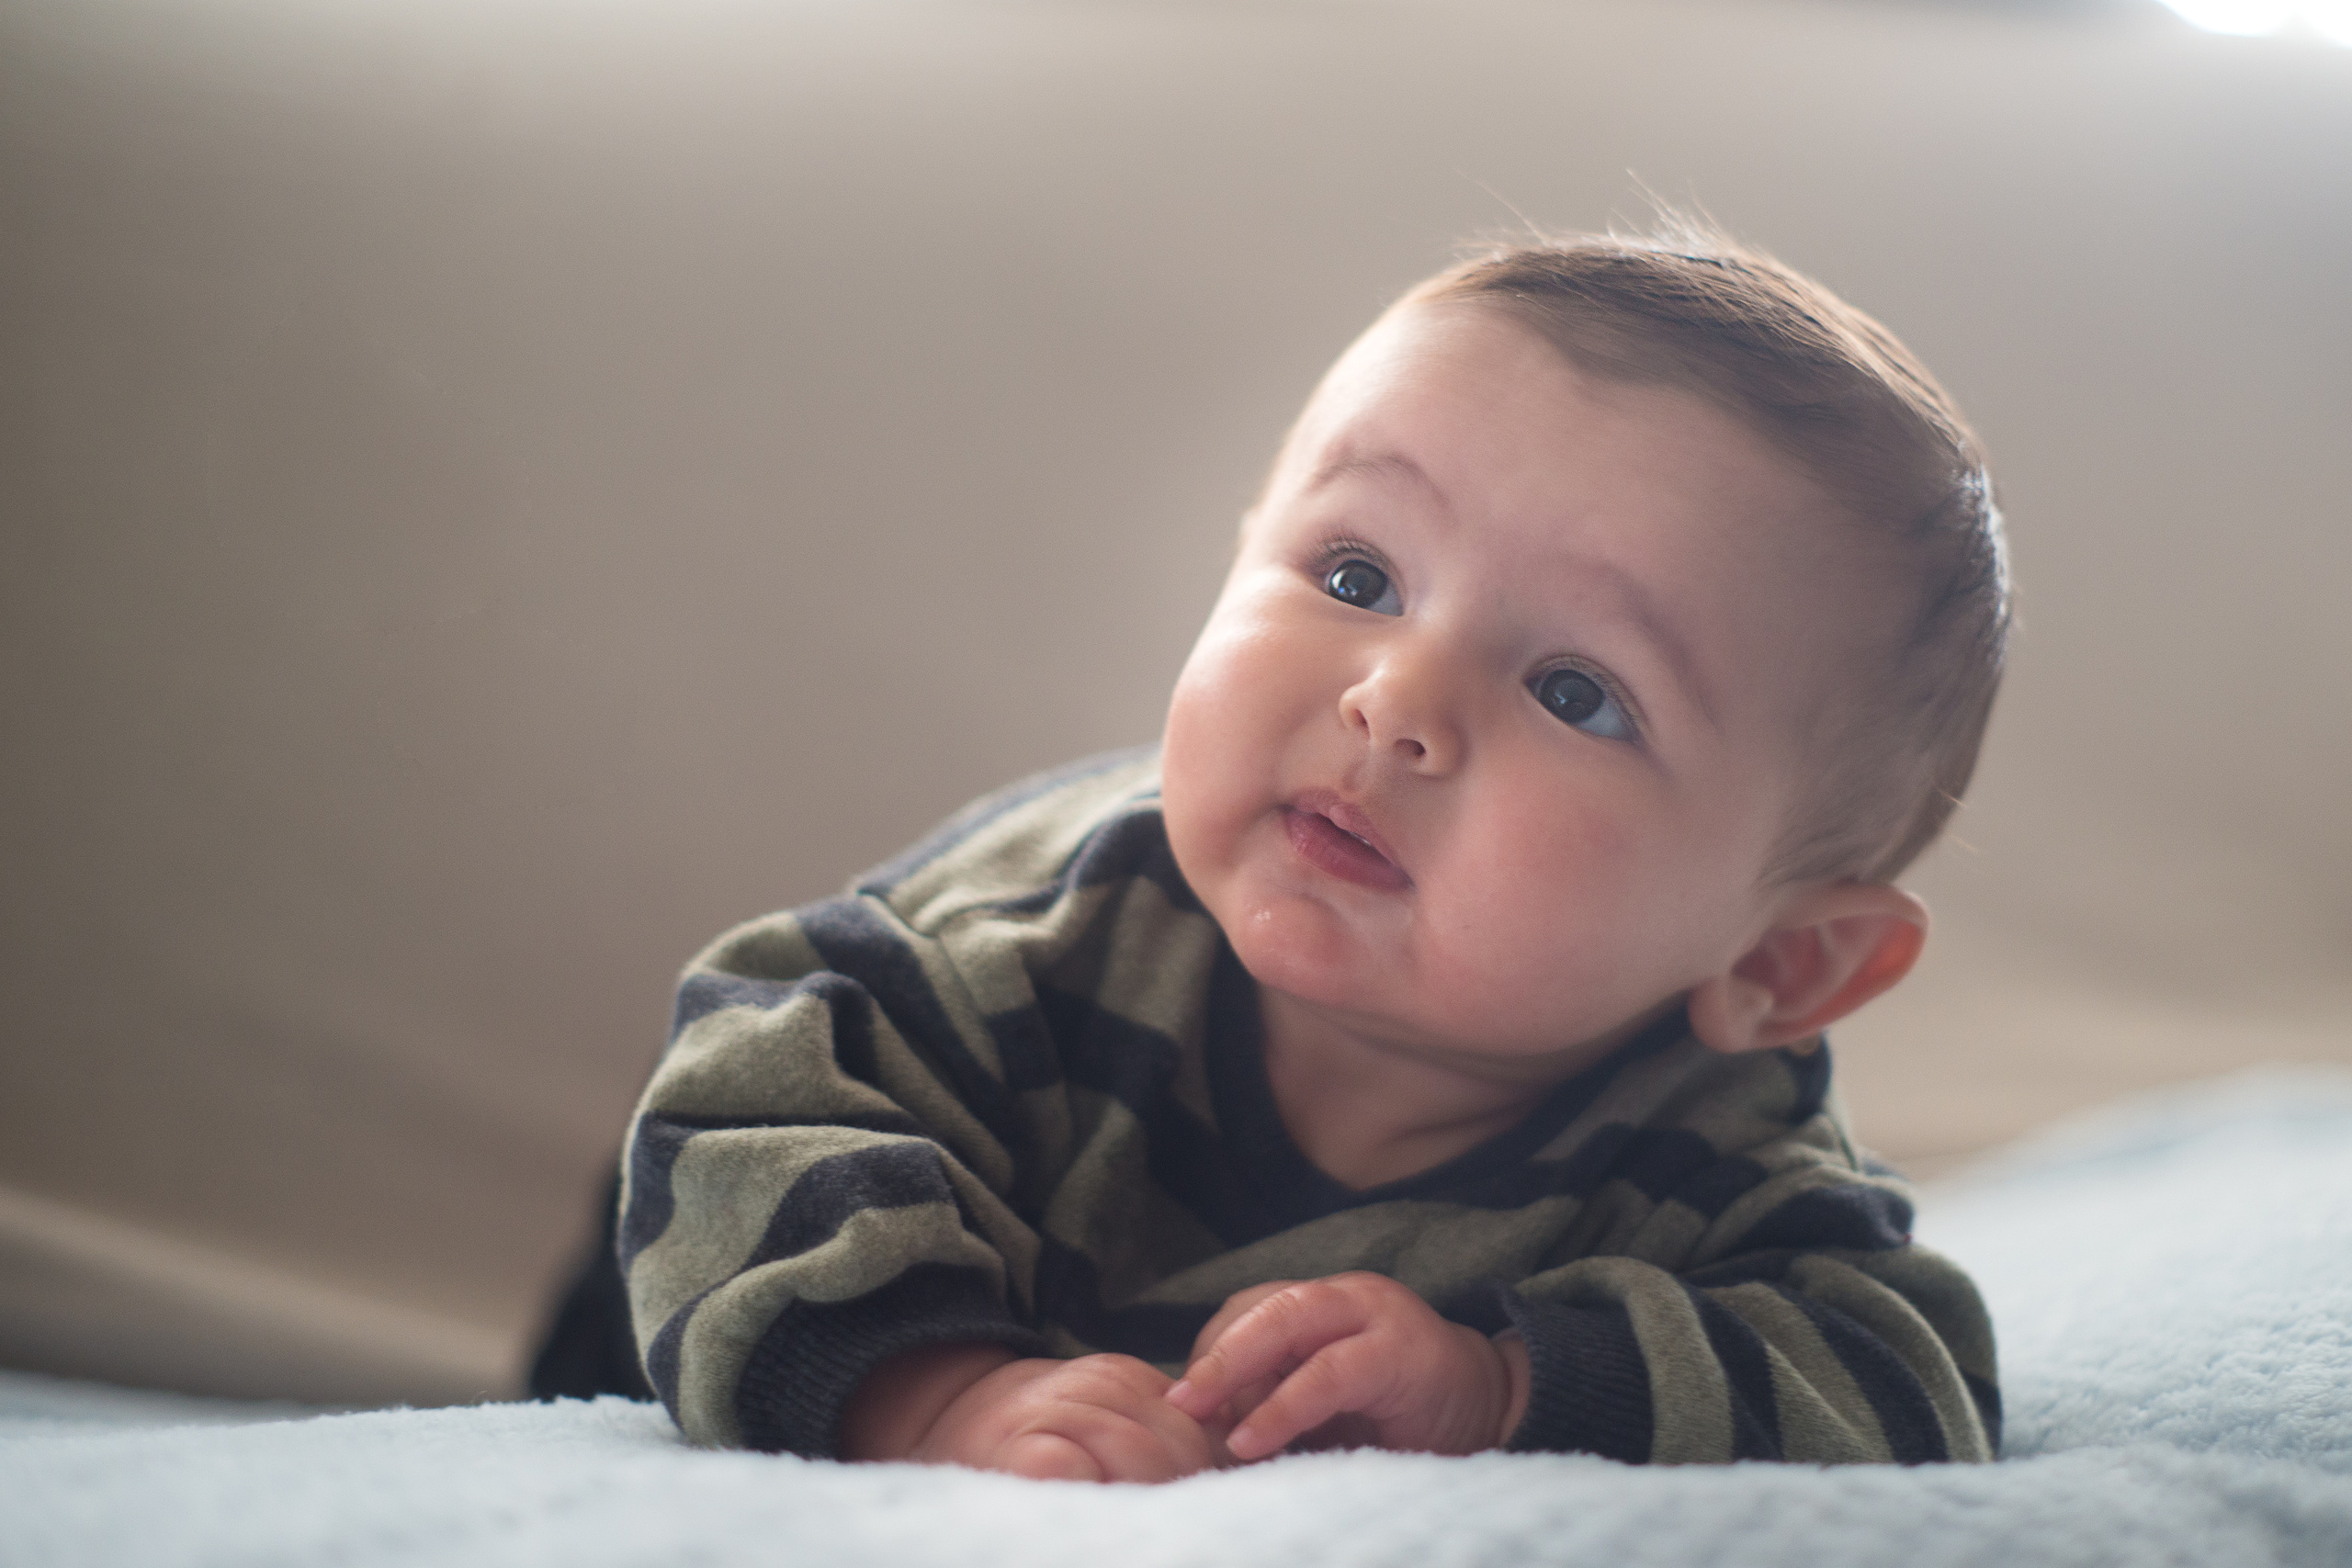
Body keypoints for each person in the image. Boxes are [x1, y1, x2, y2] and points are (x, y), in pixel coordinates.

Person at [586, 224, 2009, 1479]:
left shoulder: (1708, 1154)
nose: (1394, 702)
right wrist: (941, 1399)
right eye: (1356, 576)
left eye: (1576, 691)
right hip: (675, 1340)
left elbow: (1904, 1382)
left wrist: (1505, 1386)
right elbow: (740, 1106)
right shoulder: (1042, 937)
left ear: (1781, 960)